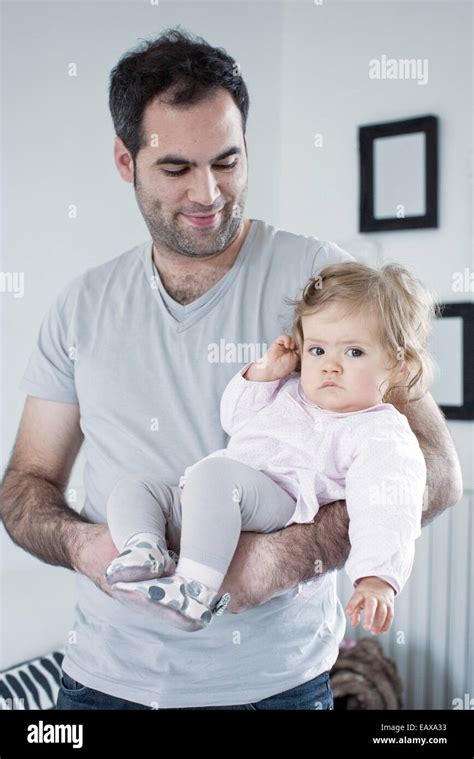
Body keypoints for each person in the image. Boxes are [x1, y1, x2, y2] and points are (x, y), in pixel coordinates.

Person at [0, 28, 462, 711]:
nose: (209, 193)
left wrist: (293, 556)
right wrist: (83, 544)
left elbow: (437, 469)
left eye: (228, 160)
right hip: (102, 683)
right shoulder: (82, 306)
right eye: (177, 168)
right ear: (126, 161)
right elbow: (25, 488)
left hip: (274, 686)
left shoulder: (325, 283)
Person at [103, 261, 431, 639]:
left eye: (354, 352)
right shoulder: (288, 390)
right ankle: (145, 550)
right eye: (318, 350)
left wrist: (377, 577)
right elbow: (235, 419)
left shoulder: (380, 431)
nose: (331, 367)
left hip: (282, 500)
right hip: (214, 496)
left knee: (214, 478)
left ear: (399, 365)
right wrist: (263, 372)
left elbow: (387, 505)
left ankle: (194, 591)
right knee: (135, 490)